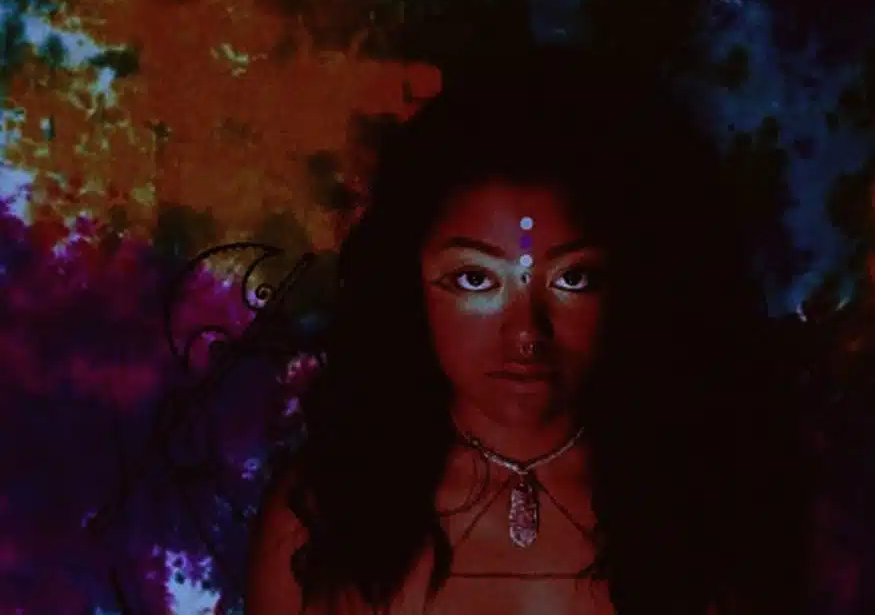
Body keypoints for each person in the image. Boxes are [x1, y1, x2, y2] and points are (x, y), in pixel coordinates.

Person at [245, 44, 820, 614]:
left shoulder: (707, 503)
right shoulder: (326, 516)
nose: (525, 333)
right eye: (475, 279)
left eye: (573, 278)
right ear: (408, 284)